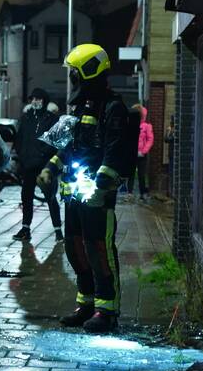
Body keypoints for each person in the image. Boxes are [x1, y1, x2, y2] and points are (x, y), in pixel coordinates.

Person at [38, 43, 133, 333]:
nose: (73, 79)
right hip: (73, 194)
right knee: (75, 248)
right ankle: (87, 304)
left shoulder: (113, 108)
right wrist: (51, 167)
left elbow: (115, 152)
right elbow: (70, 146)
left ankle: (107, 310)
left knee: (99, 249)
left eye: (75, 73)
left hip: (96, 196)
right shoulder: (80, 107)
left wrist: (101, 187)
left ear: (89, 71)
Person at [12, 88, 62, 242]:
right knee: (26, 198)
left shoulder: (51, 119)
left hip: (44, 166)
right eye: (33, 99)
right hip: (28, 165)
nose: (35, 101)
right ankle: (25, 229)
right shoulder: (26, 118)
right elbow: (19, 139)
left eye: (38, 99)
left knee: (50, 197)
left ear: (44, 101)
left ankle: (58, 231)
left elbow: (54, 141)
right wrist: (20, 156)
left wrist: (44, 156)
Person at [126, 104, 153, 202]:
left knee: (141, 175)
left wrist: (144, 151)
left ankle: (142, 193)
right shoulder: (130, 126)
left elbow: (150, 139)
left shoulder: (146, 126)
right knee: (131, 174)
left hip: (141, 154)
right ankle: (129, 193)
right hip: (132, 153)